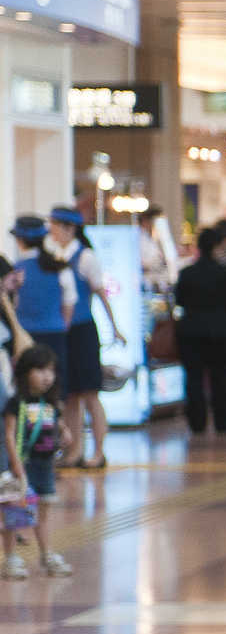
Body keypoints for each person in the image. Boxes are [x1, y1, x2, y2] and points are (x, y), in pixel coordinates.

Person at [47, 208, 124, 469]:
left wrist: (115, 327)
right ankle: (73, 451)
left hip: (83, 331)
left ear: (70, 228)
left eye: (55, 226)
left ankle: (99, 451)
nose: (51, 231)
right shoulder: (56, 256)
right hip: (64, 332)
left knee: (90, 394)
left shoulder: (86, 257)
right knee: (70, 395)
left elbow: (101, 294)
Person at [174, 223, 226, 435]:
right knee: (221, 378)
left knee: (194, 378)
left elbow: (179, 299)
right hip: (221, 330)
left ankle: (197, 422)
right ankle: (222, 422)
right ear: (216, 247)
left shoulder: (187, 273)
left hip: (191, 330)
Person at [2, 345, 69, 578]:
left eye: (50, 370)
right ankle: (10, 558)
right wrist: (15, 462)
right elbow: (9, 433)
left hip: (44, 466)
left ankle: (47, 554)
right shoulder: (16, 402)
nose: (46, 376)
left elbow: (56, 423)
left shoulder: (49, 402)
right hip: (20, 466)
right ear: (25, 372)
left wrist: (65, 431)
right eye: (40, 370)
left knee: (43, 513)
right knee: (14, 513)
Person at [11, 217, 74, 401]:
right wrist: (61, 326)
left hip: (24, 338)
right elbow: (69, 303)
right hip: (55, 334)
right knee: (55, 388)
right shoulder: (60, 267)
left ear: (19, 240)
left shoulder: (16, 270)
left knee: (25, 389)